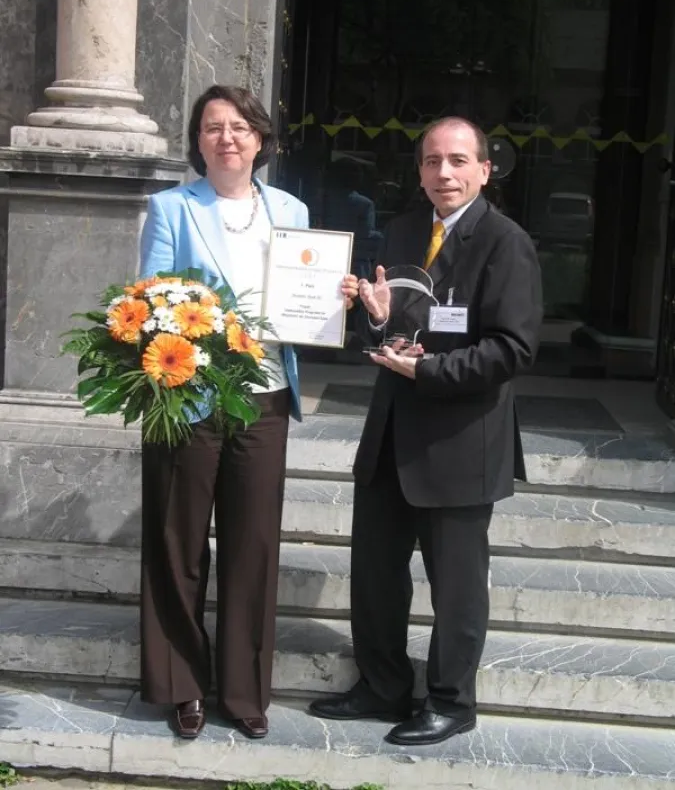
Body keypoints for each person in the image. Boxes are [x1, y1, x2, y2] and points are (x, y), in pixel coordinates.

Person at [310, 116, 543, 746]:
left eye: (459, 161)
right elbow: (390, 331)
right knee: (376, 571)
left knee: (456, 586)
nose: (445, 173)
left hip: (462, 441)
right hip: (391, 432)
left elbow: (513, 349)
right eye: (433, 161)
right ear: (418, 170)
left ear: (484, 170)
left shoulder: (506, 242)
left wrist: (432, 370)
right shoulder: (405, 230)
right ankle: (382, 685)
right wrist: (376, 321)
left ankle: (449, 700)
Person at [138, 85, 309, 741]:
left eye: (239, 126)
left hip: (265, 396)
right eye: (213, 127)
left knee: (252, 544)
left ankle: (243, 690)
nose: (227, 138)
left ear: (259, 139)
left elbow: (305, 296)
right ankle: (182, 686)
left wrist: (336, 296)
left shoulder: (290, 208)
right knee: (180, 542)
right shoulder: (172, 208)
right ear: (198, 141)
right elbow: (150, 302)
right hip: (190, 396)